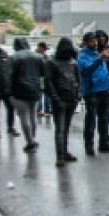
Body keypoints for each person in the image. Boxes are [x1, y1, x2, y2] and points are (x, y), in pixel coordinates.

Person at [77, 32, 109, 155]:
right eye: (91, 41)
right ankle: (89, 145)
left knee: (104, 118)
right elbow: (86, 70)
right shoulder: (83, 55)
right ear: (86, 42)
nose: (95, 43)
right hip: (92, 91)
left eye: (95, 41)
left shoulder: (97, 53)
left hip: (104, 89)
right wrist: (100, 59)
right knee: (91, 119)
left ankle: (103, 143)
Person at [44, 38, 81, 166]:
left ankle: (64, 152)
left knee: (65, 128)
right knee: (60, 129)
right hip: (60, 100)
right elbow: (48, 82)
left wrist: (78, 95)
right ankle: (60, 155)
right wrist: (55, 98)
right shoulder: (52, 63)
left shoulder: (73, 63)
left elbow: (78, 80)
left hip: (71, 99)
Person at [8, 37, 44, 153]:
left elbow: (8, 75)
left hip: (19, 90)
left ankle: (29, 142)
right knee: (33, 115)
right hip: (35, 89)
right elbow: (43, 74)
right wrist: (40, 87)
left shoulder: (13, 57)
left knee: (24, 116)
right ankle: (33, 138)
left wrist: (9, 91)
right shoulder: (38, 57)